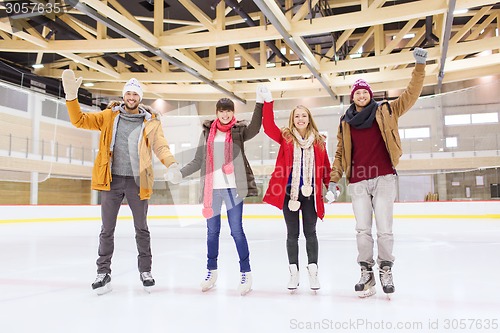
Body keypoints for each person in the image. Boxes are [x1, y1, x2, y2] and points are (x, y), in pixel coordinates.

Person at [62, 70, 180, 295]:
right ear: (124, 95)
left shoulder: (151, 123)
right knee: (107, 229)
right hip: (111, 180)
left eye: (135, 94)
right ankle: (102, 272)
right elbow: (79, 120)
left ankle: (146, 271)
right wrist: (71, 97)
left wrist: (172, 164)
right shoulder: (108, 116)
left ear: (140, 97)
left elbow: (161, 146)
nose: (131, 97)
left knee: (142, 229)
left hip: (138, 182)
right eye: (128, 93)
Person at [328, 47, 428, 297]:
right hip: (358, 182)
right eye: (357, 92)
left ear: (370, 95)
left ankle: (385, 268)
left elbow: (411, 95)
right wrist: (333, 180)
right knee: (362, 230)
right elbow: (340, 153)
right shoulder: (345, 122)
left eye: (365, 92)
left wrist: (419, 68)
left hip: (383, 177)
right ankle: (366, 272)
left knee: (384, 229)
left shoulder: (386, 111)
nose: (361, 95)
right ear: (352, 97)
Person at [166, 91, 262, 296]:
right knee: (212, 232)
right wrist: (179, 174)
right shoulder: (207, 133)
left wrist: (260, 104)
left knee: (237, 231)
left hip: (234, 189)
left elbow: (255, 128)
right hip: (212, 191)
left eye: (228, 111)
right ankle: (211, 271)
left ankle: (246, 273)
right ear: (217, 112)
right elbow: (198, 161)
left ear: (232, 113)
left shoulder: (238, 131)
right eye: (222, 111)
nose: (225, 115)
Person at [261, 87, 331, 292]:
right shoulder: (286, 137)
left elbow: (326, 167)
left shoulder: (319, 141)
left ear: (309, 119)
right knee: (292, 235)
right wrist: (268, 102)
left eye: (304, 116)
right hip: (289, 195)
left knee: (311, 233)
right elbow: (267, 126)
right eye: (297, 116)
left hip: (311, 196)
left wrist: (331, 186)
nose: (300, 119)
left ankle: (313, 274)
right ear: (292, 119)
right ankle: (294, 274)